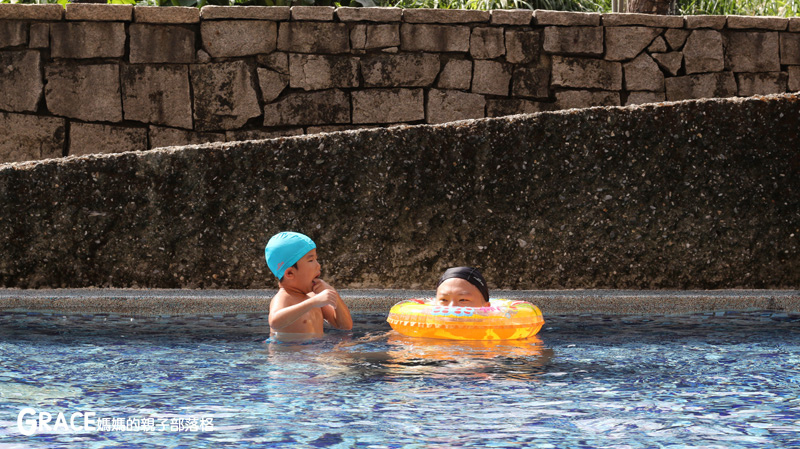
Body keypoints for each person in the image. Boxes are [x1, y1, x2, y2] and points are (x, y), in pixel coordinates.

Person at [265, 231, 352, 340]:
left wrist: (333, 294)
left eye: (316, 259)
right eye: (311, 260)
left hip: (314, 352)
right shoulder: (284, 297)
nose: (318, 265)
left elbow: (345, 326)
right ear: (290, 273)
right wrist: (313, 303)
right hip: (289, 354)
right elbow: (274, 321)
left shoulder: (313, 296)